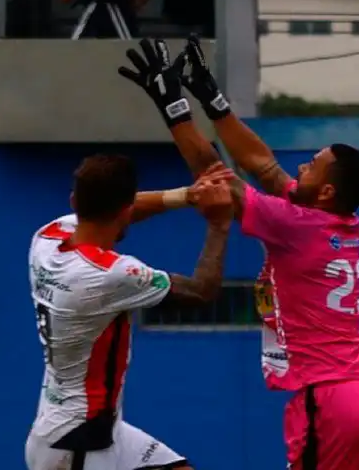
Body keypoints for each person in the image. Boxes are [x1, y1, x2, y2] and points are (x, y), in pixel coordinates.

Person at [117, 37, 359, 470]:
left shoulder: (297, 224)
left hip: (328, 398)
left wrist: (174, 106)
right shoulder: (337, 219)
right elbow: (263, 166)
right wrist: (213, 100)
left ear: (327, 190)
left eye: (311, 165)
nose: (298, 167)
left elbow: (218, 181)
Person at [24, 154, 234, 470]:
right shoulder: (113, 274)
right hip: (79, 444)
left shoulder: (47, 237)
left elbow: (115, 209)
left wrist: (187, 196)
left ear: (73, 201)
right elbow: (201, 291)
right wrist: (219, 223)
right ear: (126, 210)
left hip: (82, 427)